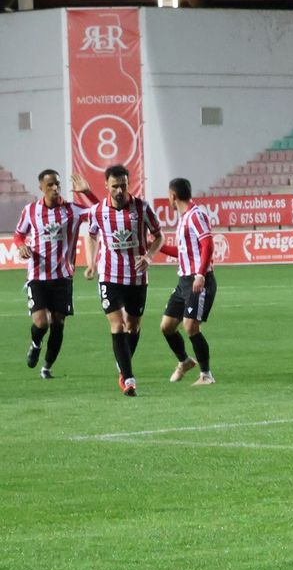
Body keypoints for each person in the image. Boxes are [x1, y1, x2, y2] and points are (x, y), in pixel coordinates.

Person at [82, 164, 162, 396]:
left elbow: (158, 235)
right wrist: (91, 263)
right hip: (109, 277)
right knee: (118, 325)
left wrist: (148, 256)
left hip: (137, 277)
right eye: (115, 186)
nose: (119, 190)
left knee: (133, 326)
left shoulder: (142, 208)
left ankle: (122, 364)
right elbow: (92, 236)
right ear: (106, 185)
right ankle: (128, 378)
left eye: (123, 185)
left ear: (129, 184)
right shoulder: (98, 211)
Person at [14, 169, 95, 378]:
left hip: (62, 277)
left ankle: (47, 367)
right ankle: (35, 343)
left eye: (57, 184)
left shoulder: (72, 210)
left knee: (58, 324)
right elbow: (19, 234)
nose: (55, 188)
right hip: (37, 276)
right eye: (50, 185)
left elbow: (101, 212)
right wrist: (21, 246)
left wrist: (87, 192)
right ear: (41, 187)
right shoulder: (30, 211)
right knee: (41, 322)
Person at [156, 178, 219, 386]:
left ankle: (206, 375)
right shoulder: (183, 219)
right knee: (166, 326)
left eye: (168, 195)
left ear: (173, 195)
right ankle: (184, 361)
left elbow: (207, 244)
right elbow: (183, 253)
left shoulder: (195, 215)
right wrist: (157, 247)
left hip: (198, 280)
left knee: (190, 326)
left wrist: (200, 274)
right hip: (184, 280)